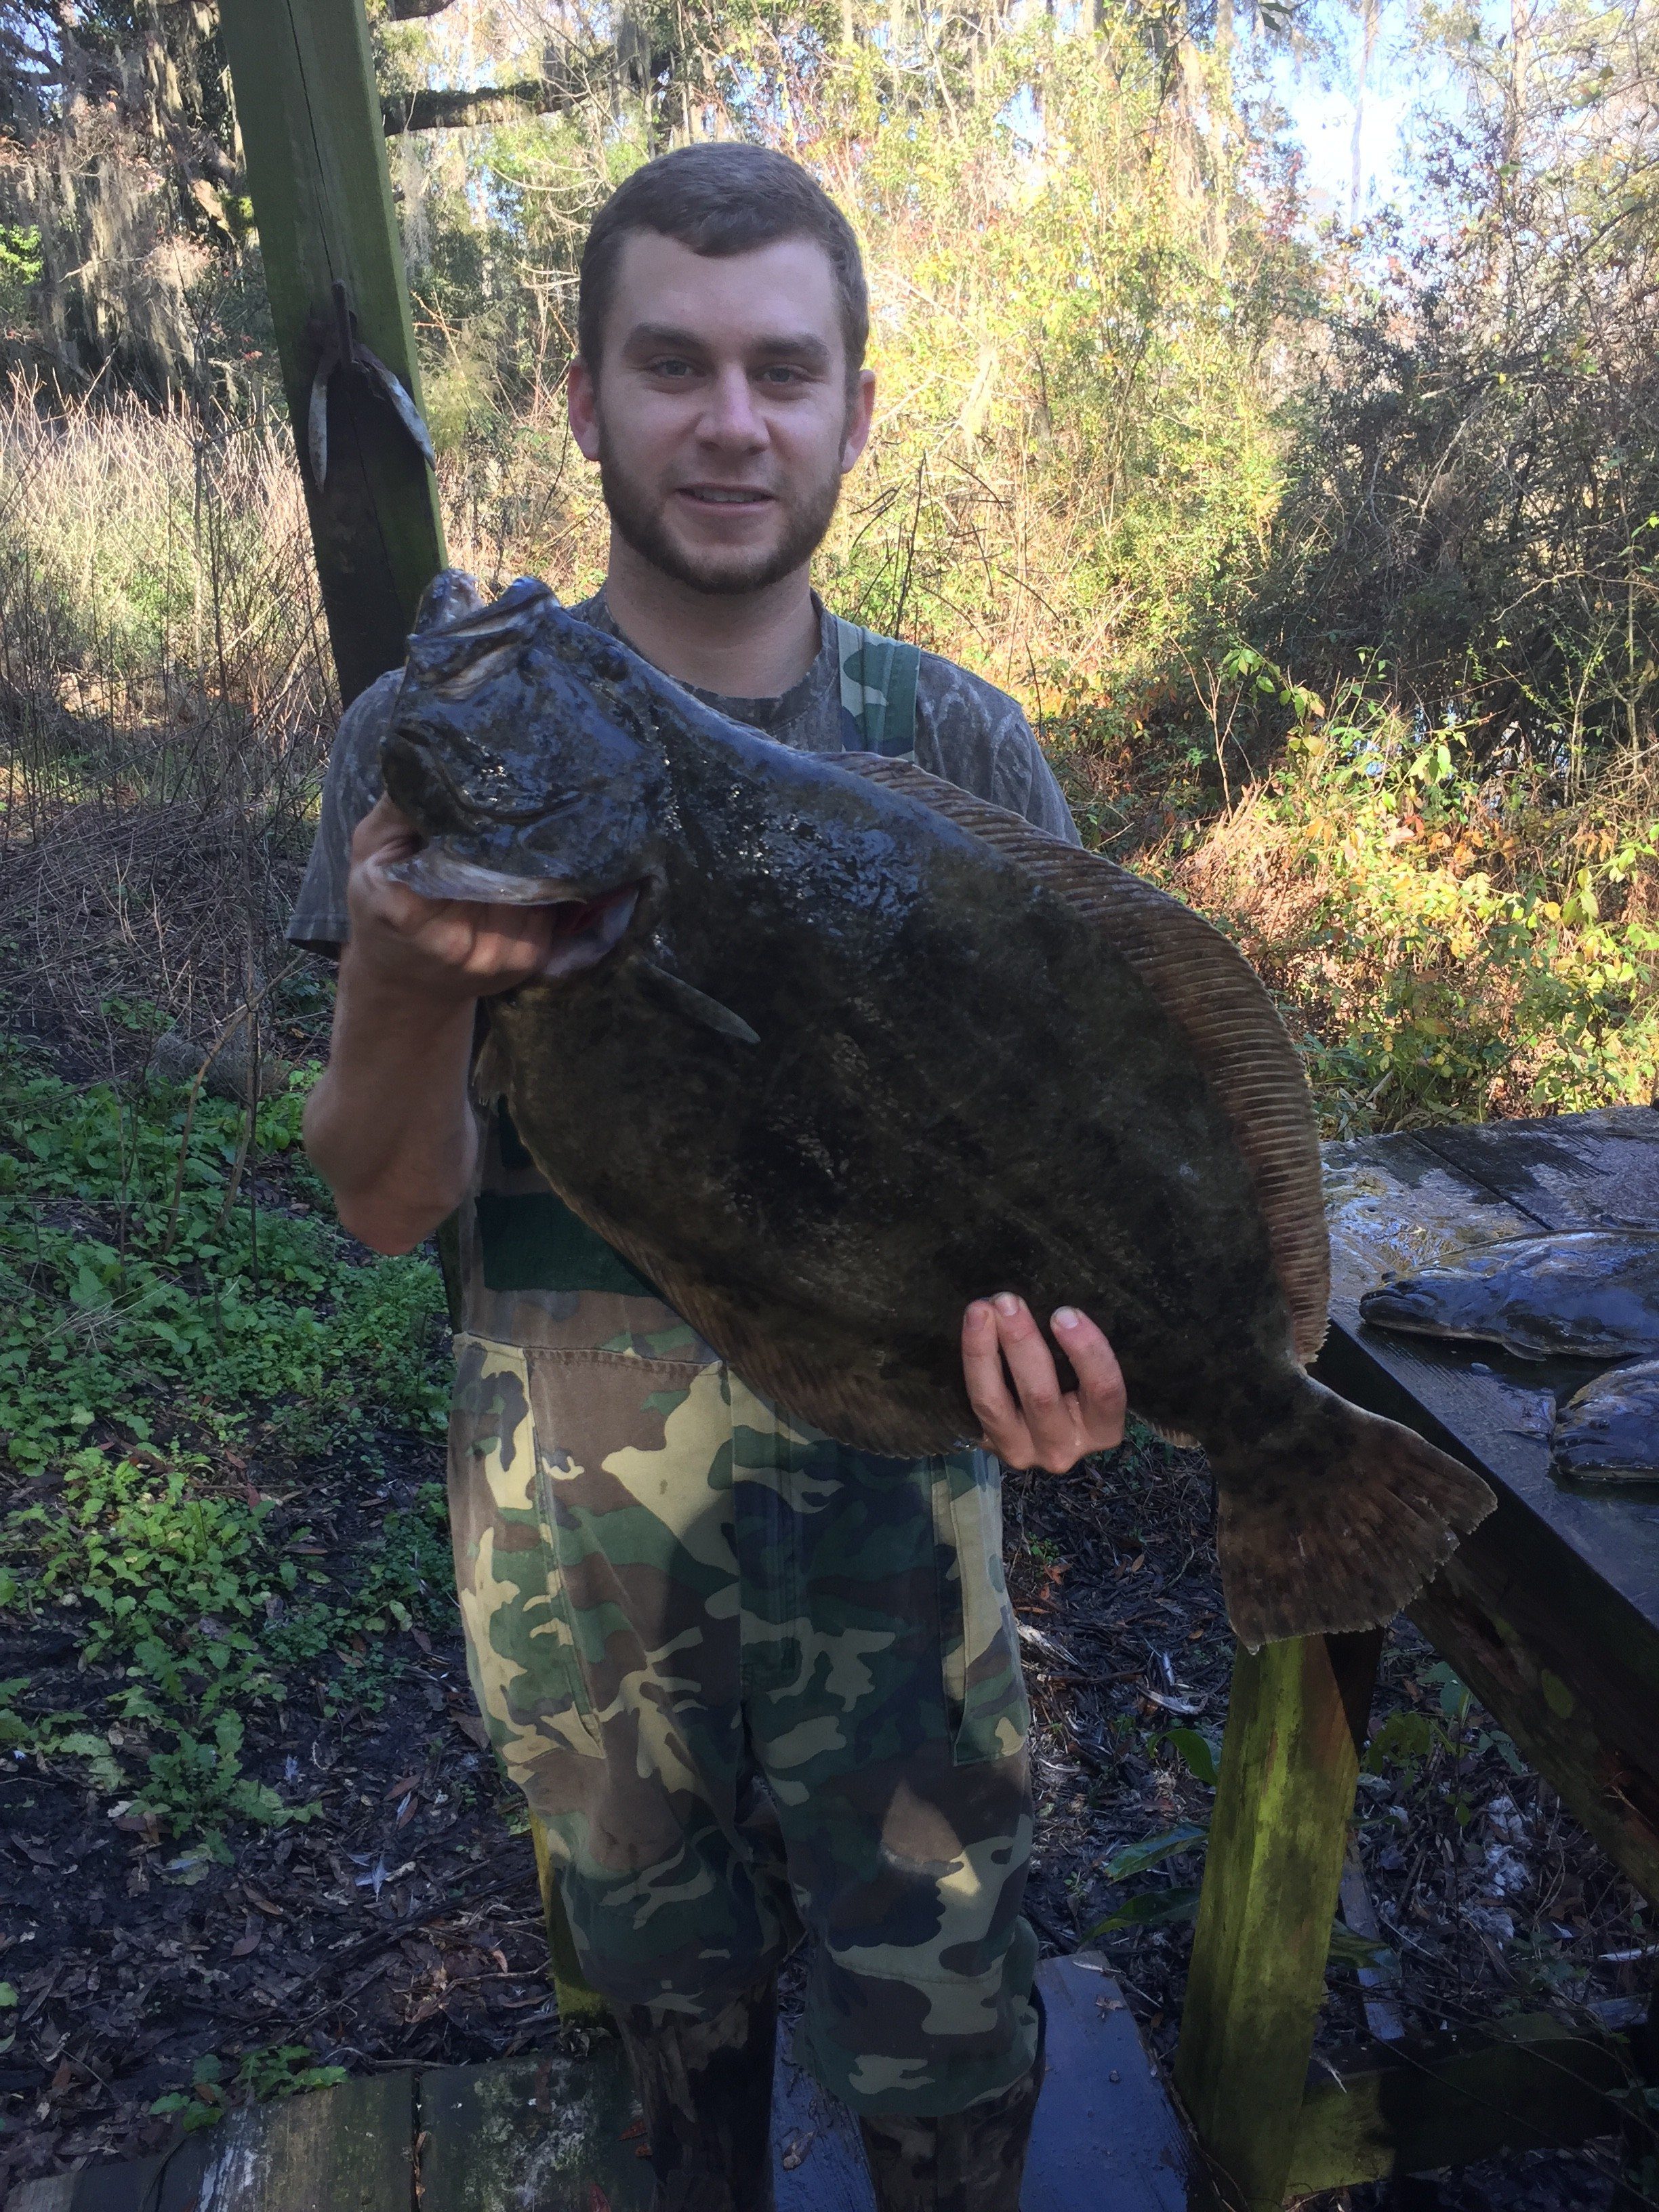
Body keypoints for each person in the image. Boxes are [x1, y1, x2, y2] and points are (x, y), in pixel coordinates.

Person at [291, 143, 1126, 2212]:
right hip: (580, 1577)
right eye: (672, 365)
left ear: (858, 407)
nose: (731, 422)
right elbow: (387, 1204)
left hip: (903, 1551)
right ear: (584, 399)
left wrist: (1091, 1369)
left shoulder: (968, 749)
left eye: (782, 369)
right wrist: (403, 969)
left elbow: (1075, 1171)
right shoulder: (433, 732)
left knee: (947, 2024)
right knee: (671, 2030)